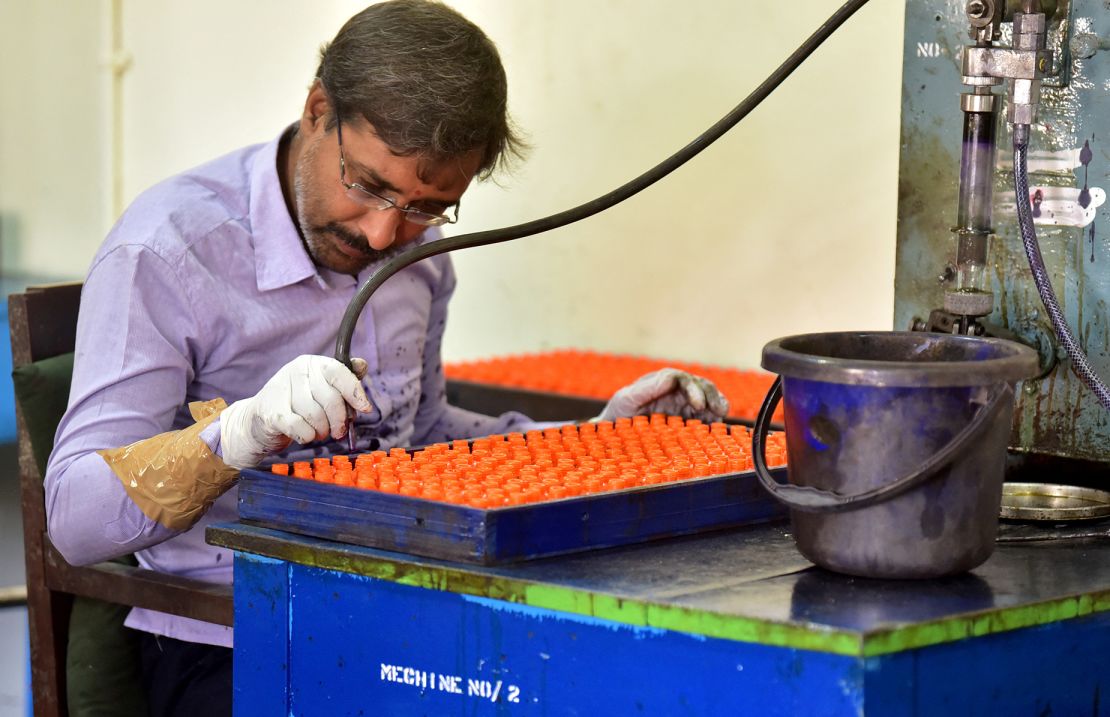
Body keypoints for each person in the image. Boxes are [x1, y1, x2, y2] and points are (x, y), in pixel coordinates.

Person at [44, 1, 729, 713]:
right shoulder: (167, 252)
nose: (381, 235)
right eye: (368, 185)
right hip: (234, 636)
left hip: (408, 621)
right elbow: (73, 516)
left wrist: (598, 440)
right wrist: (238, 434)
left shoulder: (421, 260)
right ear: (317, 110)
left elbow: (420, 434)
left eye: (427, 205)